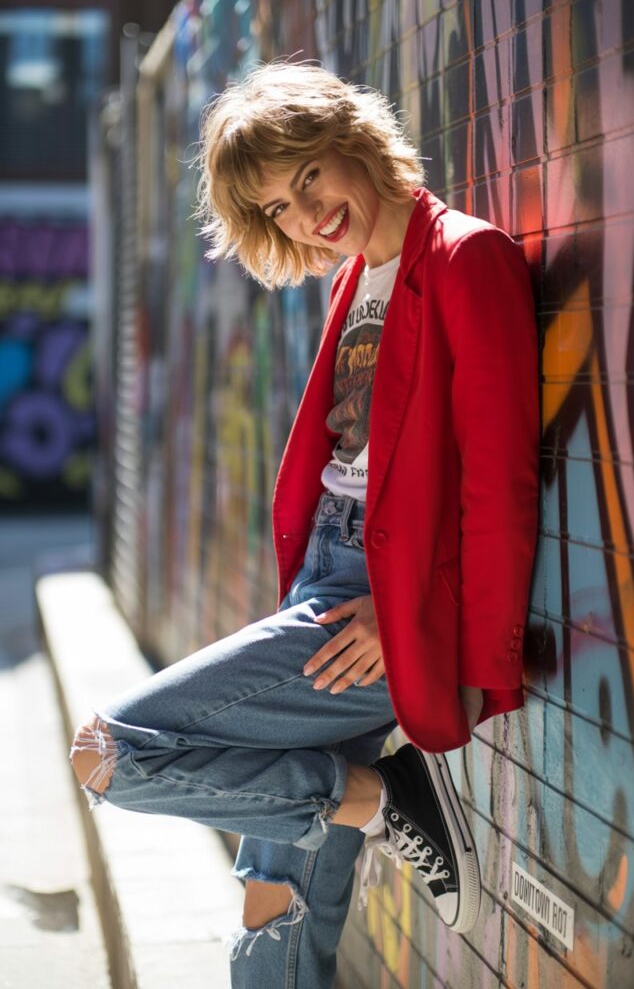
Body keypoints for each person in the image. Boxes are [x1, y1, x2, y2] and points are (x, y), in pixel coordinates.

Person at [70, 61, 539, 987]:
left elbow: (500, 485)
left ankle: (376, 797)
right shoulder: (355, 279)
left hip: (381, 606)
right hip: (329, 576)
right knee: (272, 899)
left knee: (109, 751)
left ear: (349, 138)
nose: (306, 213)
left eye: (309, 176)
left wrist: (432, 639)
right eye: (279, 207)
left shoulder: (464, 258)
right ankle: (360, 803)